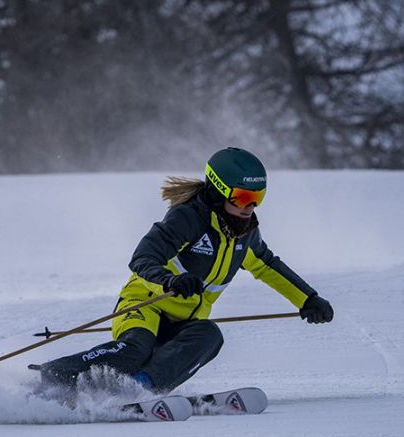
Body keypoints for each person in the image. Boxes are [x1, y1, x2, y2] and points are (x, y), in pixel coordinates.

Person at [31, 147, 333, 395]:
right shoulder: (187, 219)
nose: (250, 207)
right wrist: (170, 280)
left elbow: (268, 266)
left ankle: (139, 388)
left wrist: (307, 299)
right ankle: (56, 376)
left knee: (210, 336)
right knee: (135, 350)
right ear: (219, 191)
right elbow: (143, 257)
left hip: (185, 323)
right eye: (242, 197)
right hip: (143, 307)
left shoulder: (245, 235)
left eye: (258, 199)